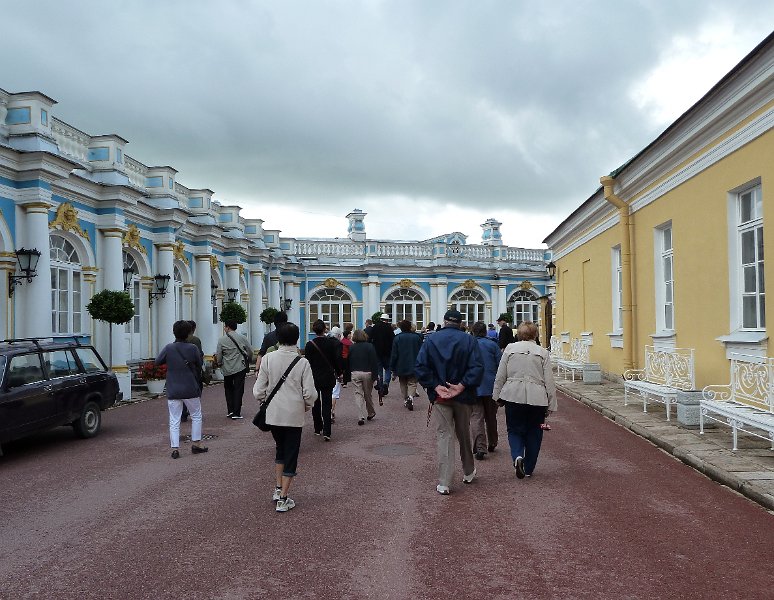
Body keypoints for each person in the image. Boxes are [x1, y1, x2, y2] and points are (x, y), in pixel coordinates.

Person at [415, 309, 483, 495]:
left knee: (444, 435)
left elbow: (420, 366)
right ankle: (468, 471)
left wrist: (436, 386)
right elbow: (477, 367)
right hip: (463, 395)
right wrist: (461, 385)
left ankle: (445, 481)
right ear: (460, 323)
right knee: (463, 433)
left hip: (441, 396)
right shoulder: (469, 340)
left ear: (444, 321)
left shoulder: (431, 340)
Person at [253, 323, 316, 513]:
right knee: (291, 454)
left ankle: (278, 488)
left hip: (273, 413)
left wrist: (265, 400)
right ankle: (283, 498)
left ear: (278, 338)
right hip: (293, 414)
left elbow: (258, 390)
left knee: (280, 450)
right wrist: (306, 405)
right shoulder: (302, 362)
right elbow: (310, 394)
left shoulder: (268, 359)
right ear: (297, 339)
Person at [492, 321, 558, 479]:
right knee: (535, 432)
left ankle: (517, 457)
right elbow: (549, 380)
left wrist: (496, 396)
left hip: (513, 394)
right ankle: (528, 468)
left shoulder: (509, 349)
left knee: (514, 429)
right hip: (537, 397)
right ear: (535, 334)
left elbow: (501, 375)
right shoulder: (542, 352)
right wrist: (551, 403)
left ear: (519, 335)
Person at [155, 320, 207, 459]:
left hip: (173, 388)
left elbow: (157, 362)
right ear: (189, 333)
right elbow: (199, 363)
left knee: (174, 419)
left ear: (174, 332)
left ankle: (175, 448)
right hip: (190, 387)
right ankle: (196, 443)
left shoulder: (168, 348)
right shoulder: (192, 348)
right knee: (196, 415)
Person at [304, 319, 343, 441]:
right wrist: (339, 372)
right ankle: (327, 431)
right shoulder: (330, 343)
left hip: (314, 377)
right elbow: (336, 360)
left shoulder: (310, 344)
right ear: (324, 329)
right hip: (327, 376)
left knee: (315, 403)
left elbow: (307, 362)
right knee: (326, 403)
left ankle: (317, 427)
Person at [470, 321, 502, 459]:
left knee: (476, 417)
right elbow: (500, 366)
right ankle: (493, 442)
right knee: (491, 416)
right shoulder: (492, 345)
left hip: (473, 385)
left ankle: (480, 447)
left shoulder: (468, 345)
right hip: (491, 385)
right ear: (485, 331)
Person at [215, 320, 253, 419]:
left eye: (225, 327)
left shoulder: (221, 340)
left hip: (227, 367)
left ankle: (230, 410)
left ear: (228, 327)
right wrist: (249, 358)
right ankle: (237, 412)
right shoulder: (242, 338)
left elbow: (219, 354)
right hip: (240, 366)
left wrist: (219, 363)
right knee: (238, 389)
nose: (224, 329)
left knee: (228, 389)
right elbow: (250, 351)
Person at [348, 329, 380, 424]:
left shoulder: (352, 347)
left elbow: (348, 361)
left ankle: (360, 415)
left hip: (355, 372)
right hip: (367, 373)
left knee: (358, 394)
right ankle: (370, 412)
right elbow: (374, 361)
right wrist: (375, 375)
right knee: (367, 394)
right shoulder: (370, 346)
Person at [390, 319, 423, 411]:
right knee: (412, 382)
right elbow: (421, 352)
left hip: (401, 364)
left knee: (403, 382)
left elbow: (394, 354)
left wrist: (392, 366)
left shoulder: (397, 338)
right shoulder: (417, 337)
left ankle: (405, 399)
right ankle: (411, 397)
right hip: (414, 363)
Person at [181, 320, 203, 423]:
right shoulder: (195, 340)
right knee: (195, 391)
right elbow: (199, 356)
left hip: (181, 371)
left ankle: (183, 412)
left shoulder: (177, 341)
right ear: (193, 329)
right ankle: (193, 412)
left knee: (182, 392)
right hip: (193, 370)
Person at [370, 313, 394, 396]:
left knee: (379, 370)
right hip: (387, 352)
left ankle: (380, 386)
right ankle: (386, 383)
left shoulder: (375, 327)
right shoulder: (389, 328)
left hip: (377, 352)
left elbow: (370, 339)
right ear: (387, 320)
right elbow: (392, 340)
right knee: (388, 369)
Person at [329, 326, 343, 422]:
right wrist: (340, 372)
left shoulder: (326, 341)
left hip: (325, 370)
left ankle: (326, 411)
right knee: (334, 392)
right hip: (334, 370)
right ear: (338, 335)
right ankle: (331, 411)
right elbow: (338, 359)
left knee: (327, 392)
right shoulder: (338, 344)